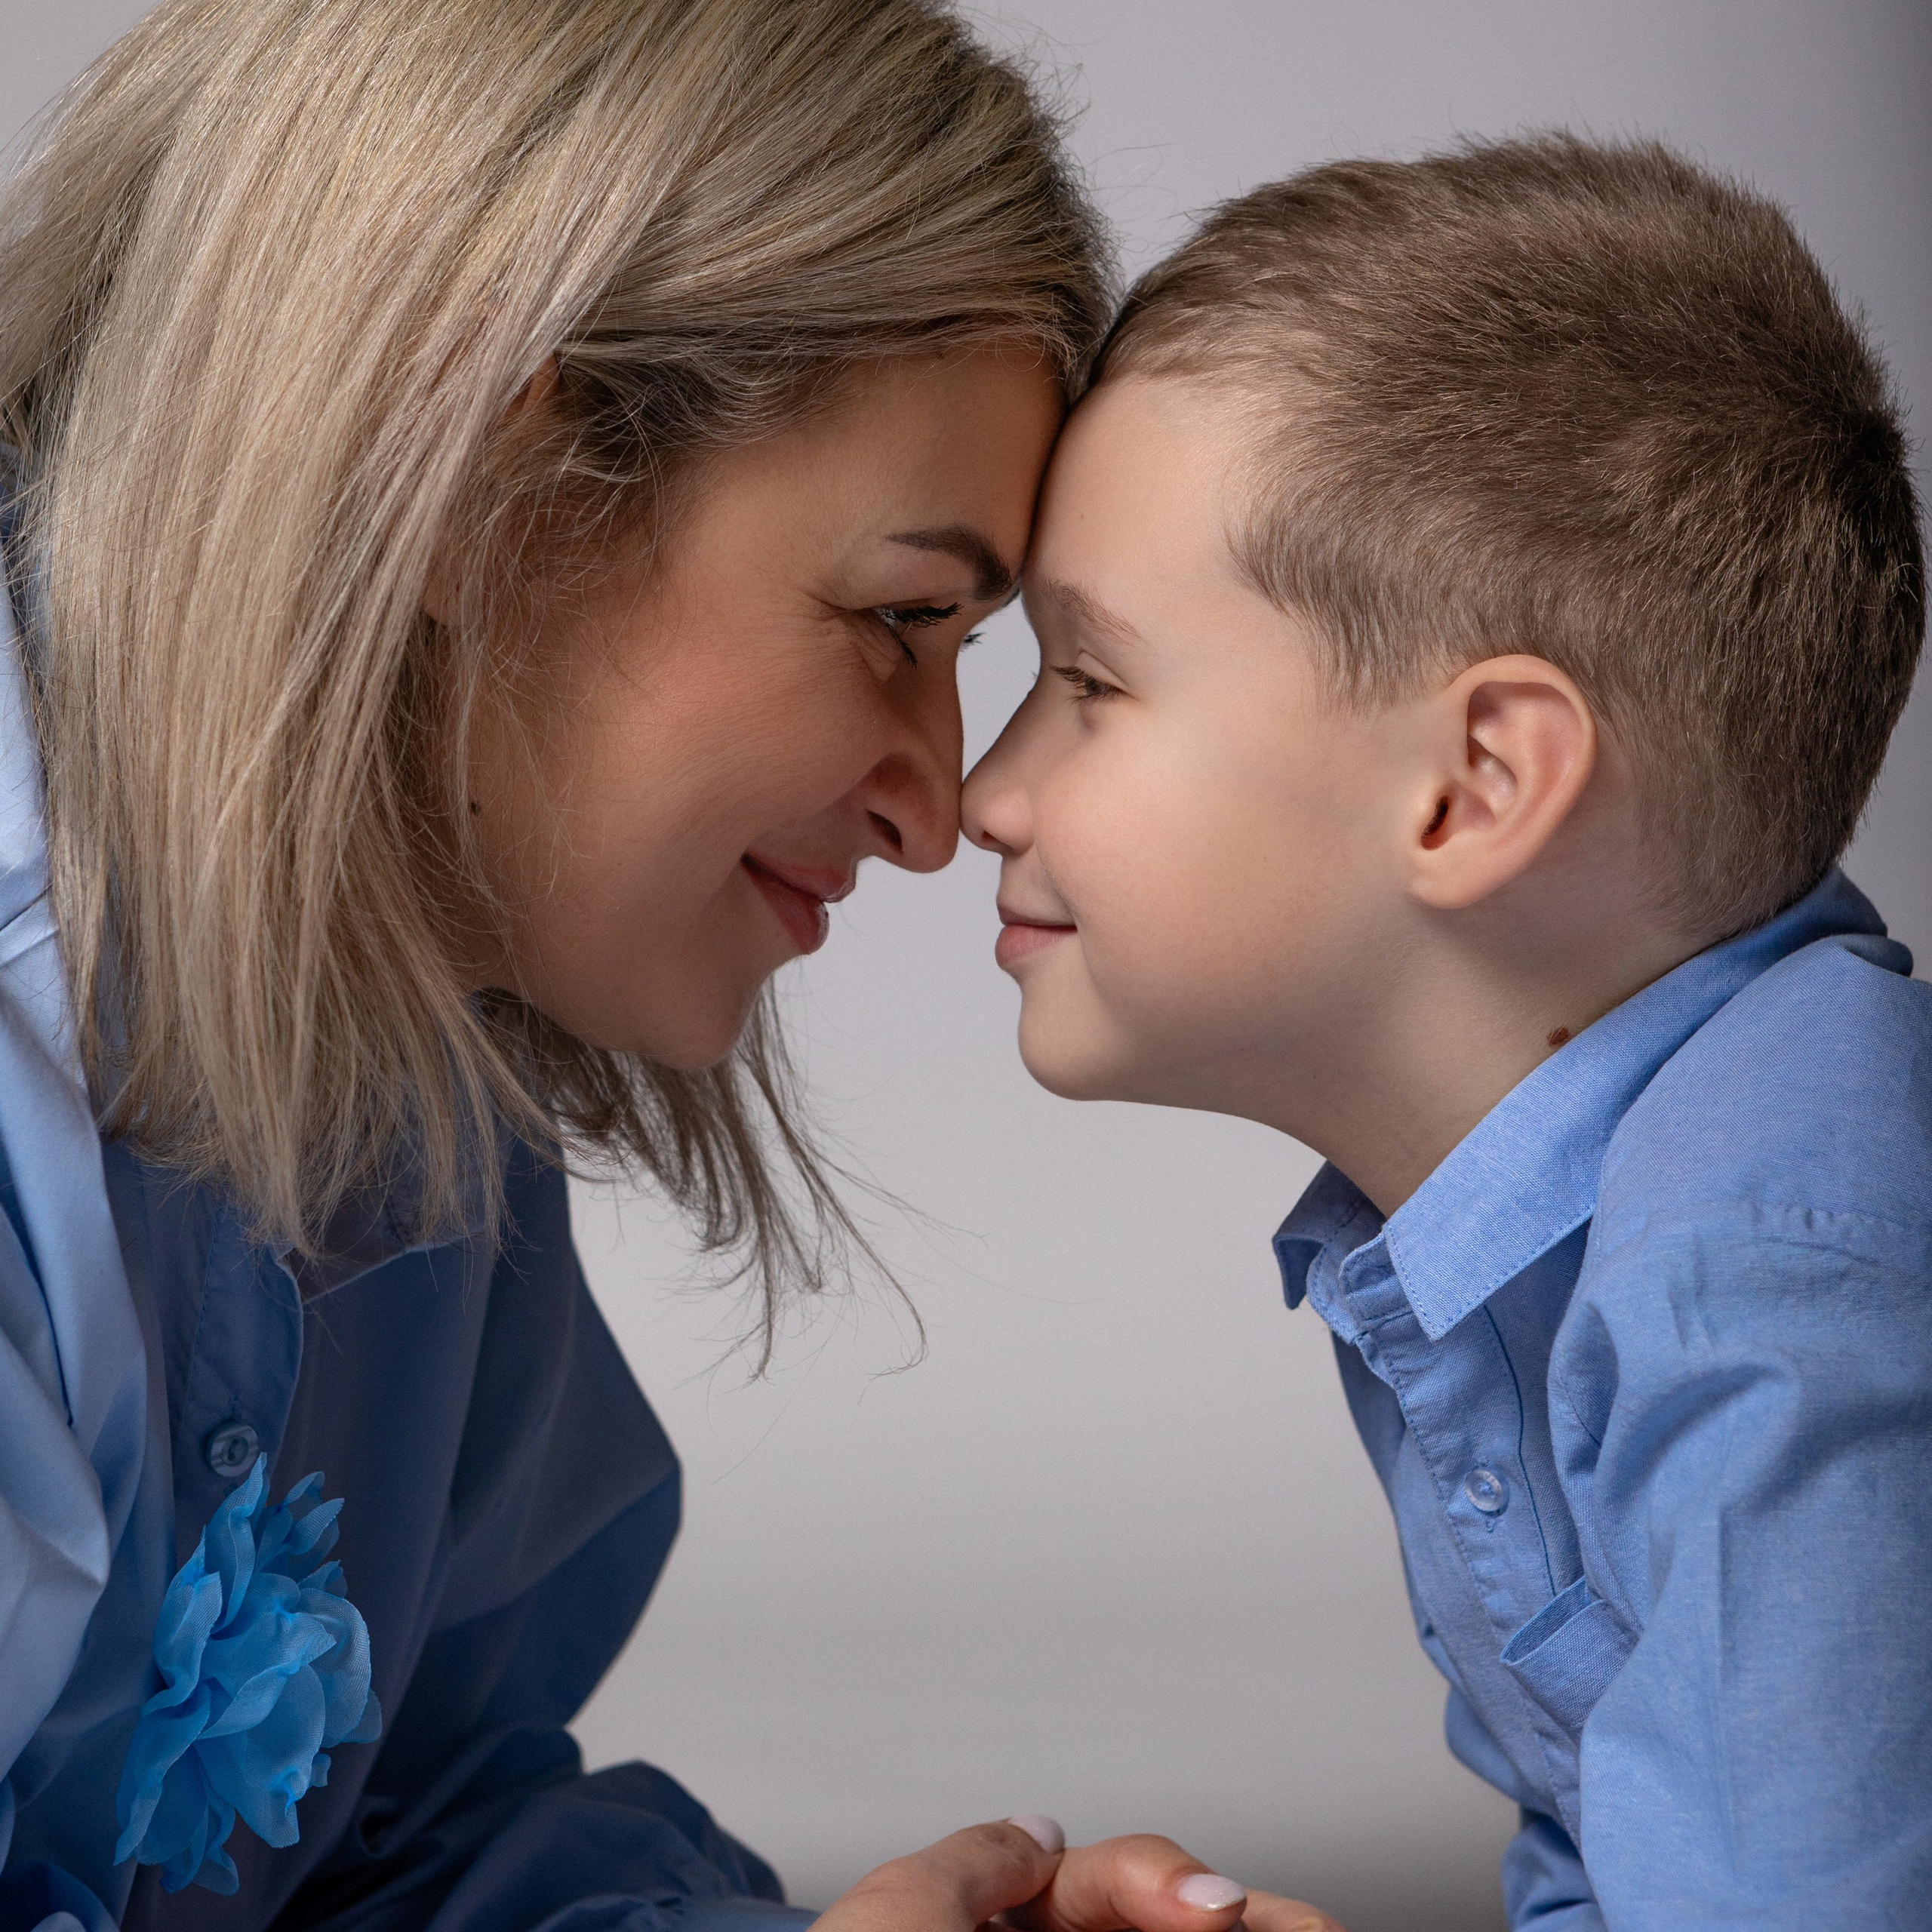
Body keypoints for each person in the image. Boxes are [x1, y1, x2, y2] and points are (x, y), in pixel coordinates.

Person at [0, 2, 1337, 1927]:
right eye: (897, 616)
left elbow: (397, 1838)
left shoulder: (412, 1055)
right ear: (476, 479)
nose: (940, 809)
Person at [964, 134, 1930, 1930]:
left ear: (1474, 783)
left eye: (1088, 681)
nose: (980, 790)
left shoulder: (1761, 1278)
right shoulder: (1505, 1239)